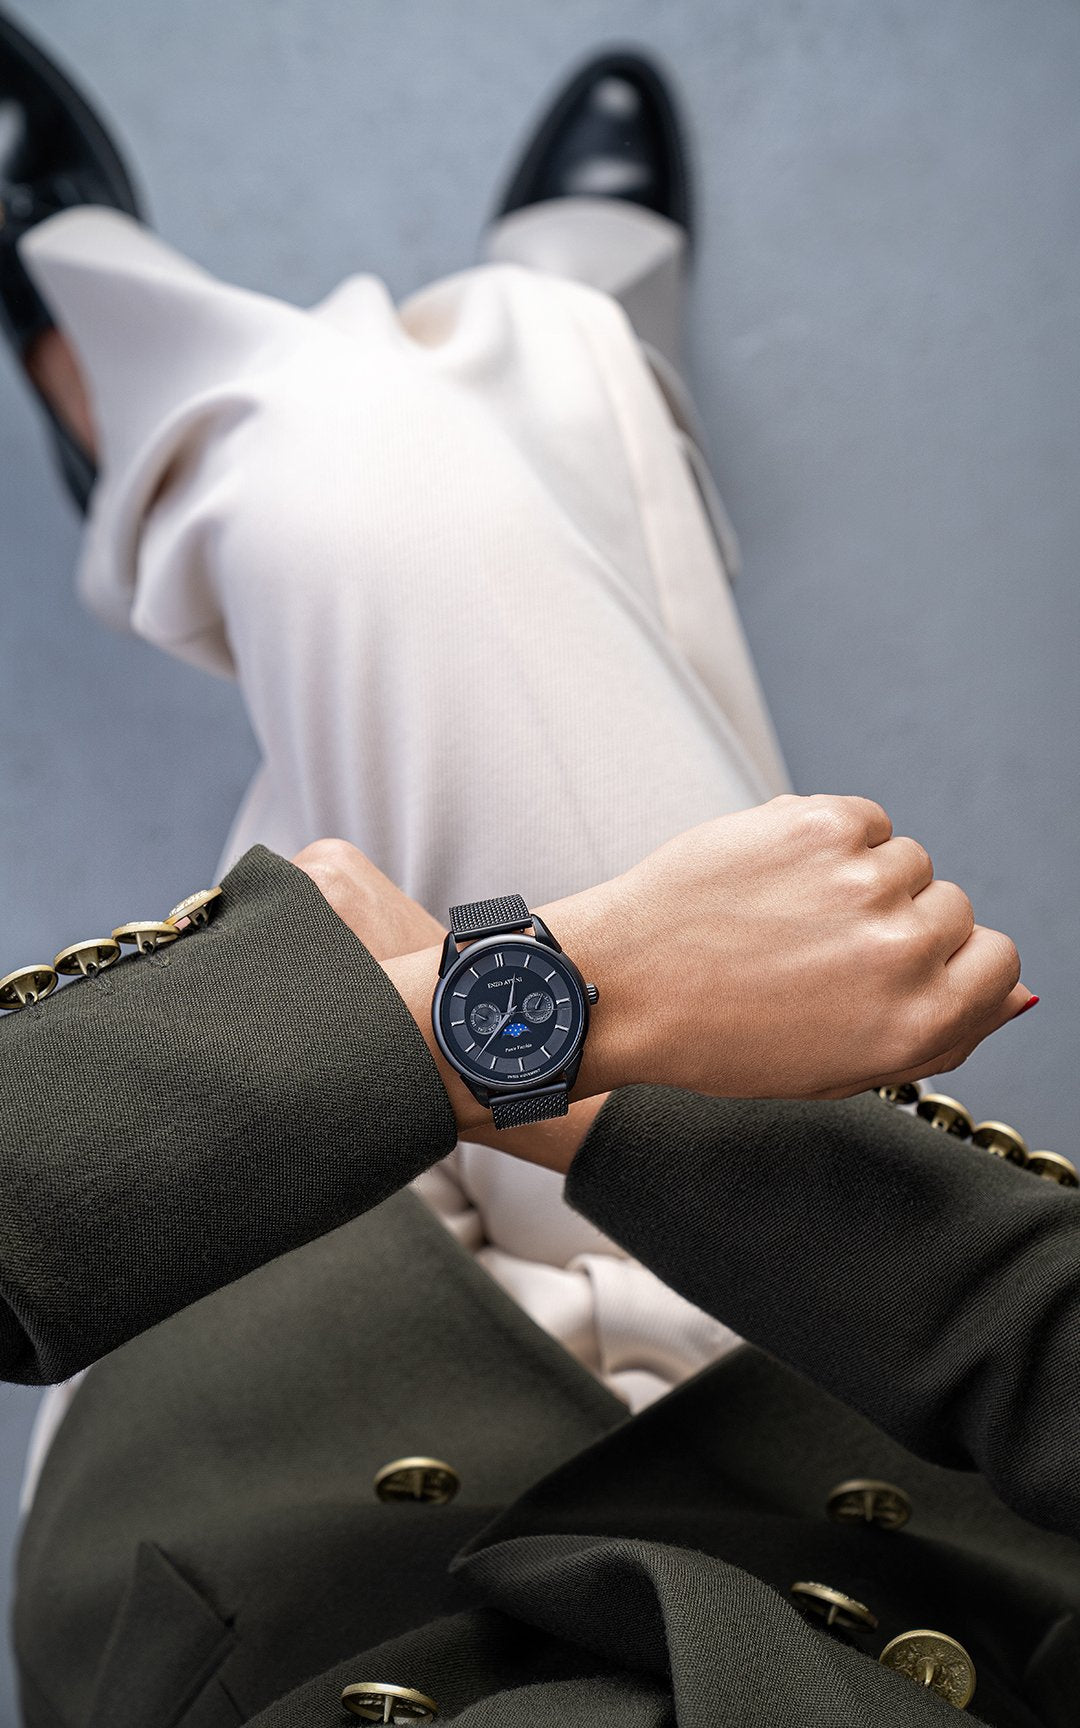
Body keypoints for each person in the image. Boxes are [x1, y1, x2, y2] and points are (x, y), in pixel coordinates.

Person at [0, 11, 1073, 1726]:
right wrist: (566, 1040)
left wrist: (501, 1014)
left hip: (268, 1511)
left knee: (361, 473)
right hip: (840, 1359)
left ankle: (155, 371)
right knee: (419, 476)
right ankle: (554, 361)